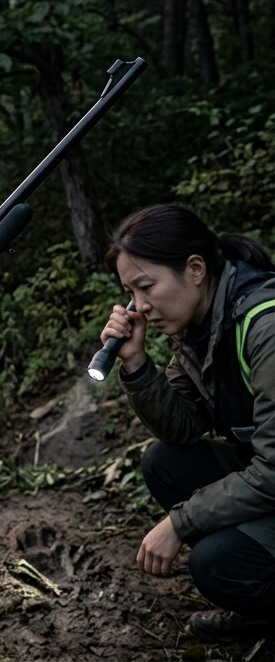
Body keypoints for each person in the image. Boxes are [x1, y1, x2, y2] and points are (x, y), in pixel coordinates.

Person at [100, 203, 275, 636]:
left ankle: (255, 584)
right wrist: (137, 363)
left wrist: (181, 522)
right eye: (131, 294)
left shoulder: (264, 327)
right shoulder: (200, 326)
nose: (139, 307)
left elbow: (273, 472)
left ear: (195, 268)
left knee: (216, 562)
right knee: (164, 462)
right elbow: (180, 428)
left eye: (146, 287)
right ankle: (258, 592)